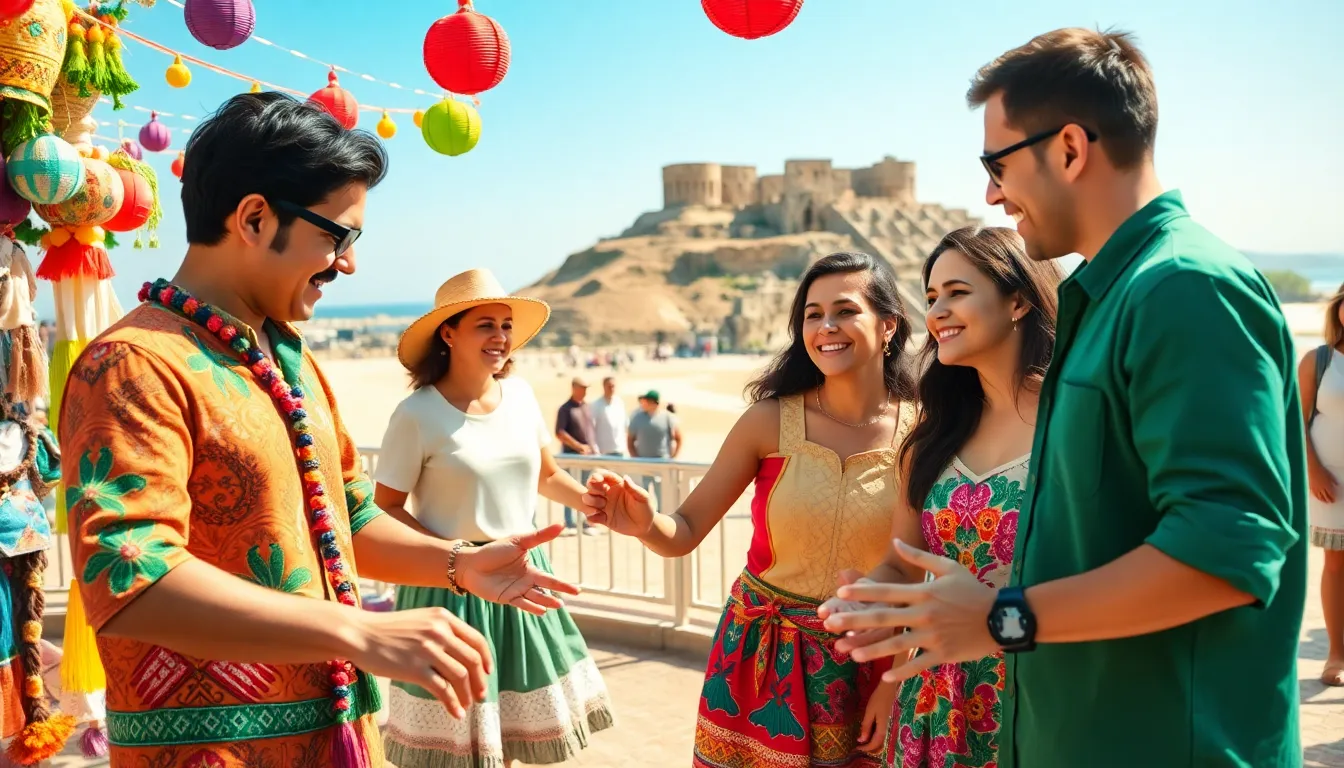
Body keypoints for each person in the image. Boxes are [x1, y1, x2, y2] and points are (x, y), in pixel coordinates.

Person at [824, 28, 1307, 767]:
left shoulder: (1183, 288)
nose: (991, 194)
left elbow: (1228, 547)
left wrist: (1001, 618)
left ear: (1071, 149)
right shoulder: (1113, 296)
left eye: (997, 165)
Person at [60, 92, 580, 768]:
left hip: (337, 734)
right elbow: (130, 578)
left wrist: (457, 563)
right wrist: (355, 630)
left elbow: (349, 515)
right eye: (339, 236)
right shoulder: (133, 364)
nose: (348, 263)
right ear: (254, 218)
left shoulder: (287, 355)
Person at [585, 251, 919, 767]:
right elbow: (684, 529)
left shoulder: (921, 433)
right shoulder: (767, 422)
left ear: (888, 325)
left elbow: (912, 572)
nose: (826, 327)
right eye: (812, 314)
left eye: (846, 311)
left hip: (868, 663)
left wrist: (893, 683)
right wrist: (647, 524)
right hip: (760, 657)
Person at [820, 227, 1061, 767]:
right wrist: (870, 597)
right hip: (936, 701)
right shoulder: (931, 439)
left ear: (1019, 301)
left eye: (957, 292)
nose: (936, 313)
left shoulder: (1075, 421)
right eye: (931, 298)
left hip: (1040, 690)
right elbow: (905, 563)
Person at [374, 268, 615, 768]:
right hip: (449, 584)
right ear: (448, 333)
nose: (501, 336)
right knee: (461, 743)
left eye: (506, 325)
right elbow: (387, 507)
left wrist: (593, 502)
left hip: (522, 575)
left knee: (507, 740)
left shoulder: (521, 395)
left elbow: (547, 475)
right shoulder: (416, 414)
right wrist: (457, 558)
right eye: (485, 325)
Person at [1304, 283, 1344, 684]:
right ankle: (1336, 655)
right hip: (1331, 481)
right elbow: (1295, 420)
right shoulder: (1318, 360)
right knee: (1335, 564)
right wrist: (1313, 469)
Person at [555, 377, 599, 534]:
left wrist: (593, 447)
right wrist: (579, 447)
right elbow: (560, 433)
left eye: (586, 388)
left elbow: (590, 430)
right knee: (570, 489)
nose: (585, 391)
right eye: (582, 387)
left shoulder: (587, 406)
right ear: (573, 387)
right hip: (571, 456)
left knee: (586, 489)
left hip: (588, 457)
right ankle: (569, 522)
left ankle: (586, 521)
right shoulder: (565, 409)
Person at [590, 376, 627, 457]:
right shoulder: (596, 405)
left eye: (613, 386)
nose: (611, 389)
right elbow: (591, 428)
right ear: (604, 387)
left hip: (619, 449)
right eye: (609, 386)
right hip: (604, 450)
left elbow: (624, 425)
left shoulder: (619, 403)